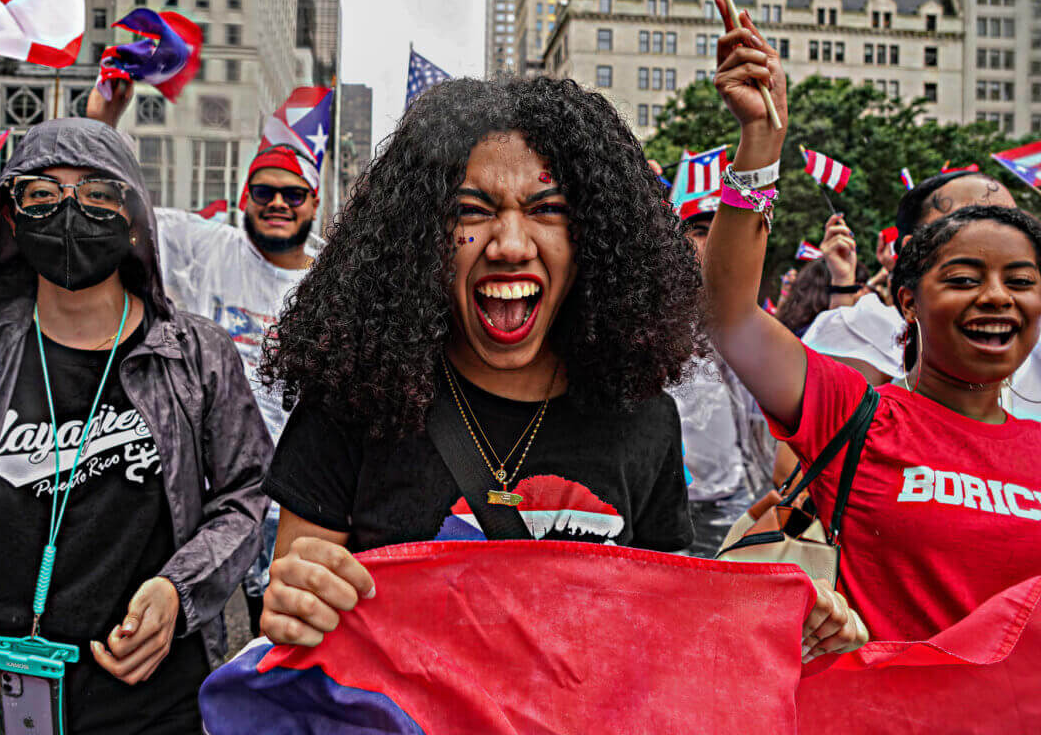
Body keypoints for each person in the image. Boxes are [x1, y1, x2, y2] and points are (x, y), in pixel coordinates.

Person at [255, 75, 862, 660]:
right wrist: (296, 605)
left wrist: (775, 620)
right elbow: (297, 611)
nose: (511, 243)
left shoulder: (645, 420)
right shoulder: (356, 399)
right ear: (417, 236)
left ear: (596, 238)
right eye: (471, 211)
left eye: (547, 209)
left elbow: (664, 631)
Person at [0, 117, 272, 734]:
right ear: (12, 218)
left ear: (133, 215)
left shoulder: (196, 355)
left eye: (97, 193)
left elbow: (245, 498)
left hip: (150, 707)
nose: (69, 211)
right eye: (41, 195)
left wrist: (180, 590)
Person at [702, 8, 1041, 643]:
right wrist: (759, 143)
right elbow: (728, 316)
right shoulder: (852, 409)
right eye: (965, 278)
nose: (997, 298)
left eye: (1020, 282)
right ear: (908, 300)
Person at [87, 80, 321, 633]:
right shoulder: (207, 247)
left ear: (314, 202)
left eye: (293, 194)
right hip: (204, 489)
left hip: (293, 492)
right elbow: (121, 205)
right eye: (264, 192)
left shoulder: (335, 281)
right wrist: (104, 122)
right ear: (245, 198)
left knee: (277, 634)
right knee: (188, 623)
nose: (279, 204)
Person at [803, 171, 1019, 387]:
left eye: (1013, 226)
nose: (996, 239)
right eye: (968, 224)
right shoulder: (867, 334)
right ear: (914, 250)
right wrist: (842, 282)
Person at [670, 194, 772, 556]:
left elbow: (767, 421)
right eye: (699, 231)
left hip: (732, 499)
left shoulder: (746, 321)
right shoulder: (643, 310)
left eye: (720, 231)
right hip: (662, 503)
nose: (711, 241)